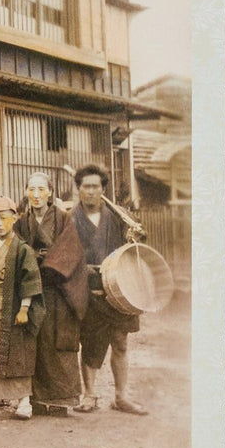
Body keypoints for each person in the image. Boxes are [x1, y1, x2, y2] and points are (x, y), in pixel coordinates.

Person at [71, 164, 149, 415]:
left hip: (120, 289)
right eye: (86, 186)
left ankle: (120, 396)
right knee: (90, 343)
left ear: (103, 189)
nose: (91, 191)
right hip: (89, 289)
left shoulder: (119, 215)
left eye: (96, 186)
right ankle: (89, 394)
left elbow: (135, 249)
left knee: (121, 342)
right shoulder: (70, 218)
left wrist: (138, 236)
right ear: (79, 190)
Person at [15, 172, 88, 416]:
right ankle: (36, 398)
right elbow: (18, 251)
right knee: (35, 343)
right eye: (31, 189)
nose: (35, 195)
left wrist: (43, 261)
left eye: (41, 190)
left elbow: (70, 250)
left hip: (59, 289)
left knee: (58, 343)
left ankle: (61, 399)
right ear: (26, 192)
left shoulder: (64, 218)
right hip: (32, 290)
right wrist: (33, 259)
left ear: (50, 192)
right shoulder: (21, 222)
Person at [0, 196, 42, 420]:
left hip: (13, 309)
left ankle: (23, 399)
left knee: (19, 352)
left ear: (14, 218)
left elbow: (29, 280)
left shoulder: (23, 250)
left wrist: (24, 309)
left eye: (3, 218)